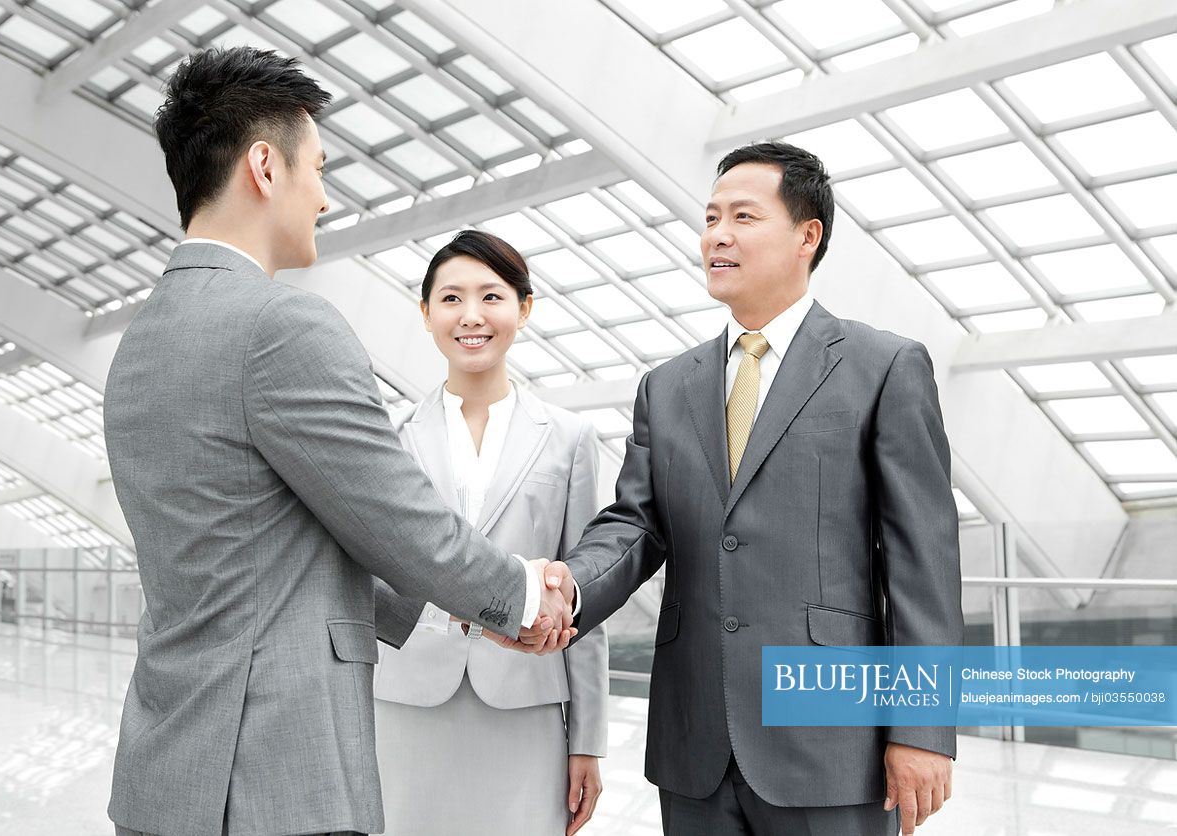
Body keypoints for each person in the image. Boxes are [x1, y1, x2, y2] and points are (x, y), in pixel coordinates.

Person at [103, 47, 577, 836]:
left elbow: (281, 531)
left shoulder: (142, 340)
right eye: (316, 167)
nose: (323, 195)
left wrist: (451, 602)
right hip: (273, 776)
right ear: (264, 166)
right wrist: (520, 595)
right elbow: (392, 514)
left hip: (165, 771)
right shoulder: (279, 326)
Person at [563, 141, 964, 836]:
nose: (716, 234)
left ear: (806, 236)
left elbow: (922, 562)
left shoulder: (883, 367)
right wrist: (563, 590)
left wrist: (922, 729)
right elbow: (636, 525)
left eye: (742, 217)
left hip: (831, 745)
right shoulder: (666, 387)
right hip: (694, 741)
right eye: (711, 217)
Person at [372, 230, 609, 836]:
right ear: (425, 314)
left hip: (524, 705)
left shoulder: (568, 437)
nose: (471, 316)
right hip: (405, 701)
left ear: (523, 309)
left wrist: (587, 740)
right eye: (450, 299)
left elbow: (585, 595)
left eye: (492, 296)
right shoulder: (386, 437)